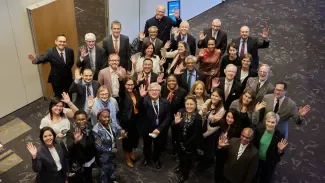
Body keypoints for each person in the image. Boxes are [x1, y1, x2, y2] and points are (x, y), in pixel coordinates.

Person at [138, 83, 172, 169]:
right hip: (147, 129)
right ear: (148, 92)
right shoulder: (144, 100)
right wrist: (141, 97)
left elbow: (168, 117)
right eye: (152, 90)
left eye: (156, 90)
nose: (154, 92)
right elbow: (138, 107)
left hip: (159, 130)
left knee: (158, 146)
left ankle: (156, 159)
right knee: (147, 145)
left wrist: (159, 129)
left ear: (160, 92)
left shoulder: (165, 102)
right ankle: (147, 158)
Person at [173, 95, 202, 183]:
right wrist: (176, 123)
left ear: (195, 105)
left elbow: (196, 134)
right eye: (187, 104)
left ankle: (185, 175)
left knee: (188, 160)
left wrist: (186, 144)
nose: (189, 106)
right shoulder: (182, 113)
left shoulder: (198, 118)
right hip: (180, 141)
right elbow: (175, 128)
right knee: (181, 156)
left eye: (191, 104)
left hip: (190, 144)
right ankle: (181, 166)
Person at [253, 112, 288, 183]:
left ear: (276, 123)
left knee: (264, 179)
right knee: (253, 177)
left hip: (269, 162)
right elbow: (254, 145)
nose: (269, 124)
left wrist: (280, 150)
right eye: (268, 121)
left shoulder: (279, 135)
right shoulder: (259, 130)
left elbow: (280, 153)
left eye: (272, 122)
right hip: (256, 160)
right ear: (265, 121)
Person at [92, 109, 126, 183]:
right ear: (99, 118)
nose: (107, 119)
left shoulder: (111, 123)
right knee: (104, 169)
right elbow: (98, 146)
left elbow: (117, 131)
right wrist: (110, 150)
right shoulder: (96, 130)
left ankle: (113, 179)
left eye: (108, 117)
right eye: (104, 117)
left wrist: (122, 132)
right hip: (103, 154)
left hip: (113, 150)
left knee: (112, 165)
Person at [198, 88, 225, 170]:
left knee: (208, 149)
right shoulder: (208, 101)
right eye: (213, 95)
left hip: (211, 132)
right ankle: (201, 158)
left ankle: (207, 163)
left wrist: (205, 135)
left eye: (216, 96)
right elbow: (200, 114)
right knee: (201, 146)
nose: (213, 97)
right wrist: (203, 113)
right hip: (202, 127)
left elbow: (215, 127)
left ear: (220, 98)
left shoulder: (222, 110)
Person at [66, 110, 97, 183]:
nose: (81, 121)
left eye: (83, 119)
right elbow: (69, 147)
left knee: (89, 173)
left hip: (90, 157)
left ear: (86, 119)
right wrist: (75, 141)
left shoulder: (89, 125)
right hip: (81, 161)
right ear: (75, 120)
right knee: (83, 177)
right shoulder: (71, 132)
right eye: (78, 120)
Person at [161, 74, 187, 156]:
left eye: (173, 81)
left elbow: (184, 106)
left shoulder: (182, 91)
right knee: (163, 132)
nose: (171, 82)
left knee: (175, 134)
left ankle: (175, 148)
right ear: (166, 81)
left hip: (176, 116)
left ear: (177, 81)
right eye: (169, 81)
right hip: (164, 116)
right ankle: (162, 146)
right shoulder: (163, 88)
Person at [119, 77, 141, 167]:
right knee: (126, 139)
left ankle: (131, 151)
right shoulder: (123, 93)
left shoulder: (135, 92)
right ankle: (127, 156)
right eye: (128, 84)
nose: (130, 86)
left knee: (134, 137)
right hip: (126, 120)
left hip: (136, 118)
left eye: (132, 84)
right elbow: (121, 90)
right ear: (124, 85)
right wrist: (120, 80)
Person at [214, 109, 241, 183]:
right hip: (219, 148)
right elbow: (212, 124)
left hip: (228, 152)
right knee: (218, 167)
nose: (229, 119)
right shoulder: (223, 123)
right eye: (228, 116)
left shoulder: (237, 130)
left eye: (232, 118)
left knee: (223, 170)